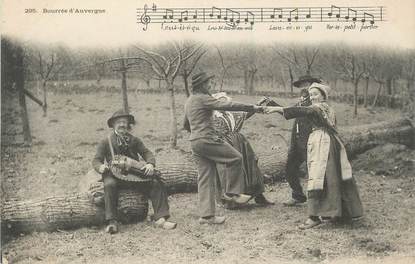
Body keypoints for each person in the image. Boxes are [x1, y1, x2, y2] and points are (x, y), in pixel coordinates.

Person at [265, 82, 363, 229]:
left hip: (322, 142)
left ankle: (314, 216)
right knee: (332, 176)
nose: (313, 97)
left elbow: (301, 111)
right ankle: (337, 212)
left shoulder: (317, 108)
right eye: (311, 95)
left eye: (316, 94)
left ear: (323, 95)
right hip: (331, 142)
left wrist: (276, 109)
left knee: (317, 175)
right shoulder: (329, 108)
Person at [183, 72, 264, 225]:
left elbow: (185, 125)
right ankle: (232, 193)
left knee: (205, 178)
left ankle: (206, 216)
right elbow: (228, 105)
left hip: (195, 142)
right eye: (209, 83)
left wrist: (197, 132)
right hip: (207, 139)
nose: (211, 85)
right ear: (202, 85)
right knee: (236, 157)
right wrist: (252, 107)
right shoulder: (203, 98)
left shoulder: (189, 101)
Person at [92, 109, 176, 234]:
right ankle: (112, 222)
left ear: (128, 124)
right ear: (114, 125)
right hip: (113, 175)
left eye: (124, 122)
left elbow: (147, 153)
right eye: (119, 122)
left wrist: (150, 164)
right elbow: (96, 160)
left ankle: (161, 218)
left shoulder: (134, 140)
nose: (122, 125)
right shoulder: (106, 141)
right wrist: (100, 167)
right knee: (109, 185)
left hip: (133, 175)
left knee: (155, 183)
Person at [211, 92, 274, 208]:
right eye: (221, 102)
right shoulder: (214, 116)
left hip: (240, 142)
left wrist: (258, 104)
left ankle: (259, 196)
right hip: (224, 144)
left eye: (227, 102)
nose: (225, 104)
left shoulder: (232, 114)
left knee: (251, 167)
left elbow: (246, 113)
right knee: (228, 171)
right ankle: (230, 201)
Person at [283, 75, 322, 206]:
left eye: (306, 84)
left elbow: (293, 112)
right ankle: (297, 195)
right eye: (301, 85)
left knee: (314, 171)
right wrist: (271, 106)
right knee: (290, 168)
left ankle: (319, 201)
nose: (303, 87)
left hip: (310, 140)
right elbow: (289, 113)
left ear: (312, 84)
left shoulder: (315, 101)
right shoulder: (302, 100)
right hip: (297, 141)